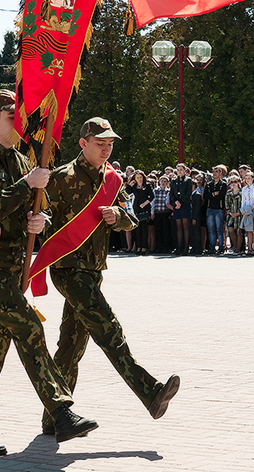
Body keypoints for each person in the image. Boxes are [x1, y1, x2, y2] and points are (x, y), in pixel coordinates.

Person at [0, 90, 98, 457]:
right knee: (28, 326)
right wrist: (28, 185)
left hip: (12, 267)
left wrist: (42, 218)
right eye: (9, 116)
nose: (16, 121)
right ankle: (61, 410)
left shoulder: (24, 160)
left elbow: (43, 208)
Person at [39, 118, 180, 434]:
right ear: (83, 143)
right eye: (100, 143)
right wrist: (39, 223)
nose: (106, 149)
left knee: (71, 346)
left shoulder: (112, 180)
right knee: (108, 329)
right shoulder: (60, 178)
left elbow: (130, 220)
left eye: (110, 144)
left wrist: (117, 216)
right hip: (67, 268)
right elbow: (40, 214)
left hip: (94, 270)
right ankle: (150, 392)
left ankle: (54, 415)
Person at [169, 163, 193, 255]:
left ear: (185, 170)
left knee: (185, 226)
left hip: (185, 204)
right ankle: (179, 247)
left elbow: (188, 192)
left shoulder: (188, 180)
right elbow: (171, 193)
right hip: (176, 205)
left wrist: (181, 202)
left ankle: (186, 247)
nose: (179, 171)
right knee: (178, 227)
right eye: (178, 170)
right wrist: (175, 202)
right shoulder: (174, 181)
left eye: (181, 169)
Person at [204, 164, 227, 254]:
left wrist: (212, 196)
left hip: (219, 209)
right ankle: (211, 247)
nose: (214, 173)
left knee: (219, 229)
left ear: (220, 173)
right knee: (211, 229)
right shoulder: (209, 184)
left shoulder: (223, 184)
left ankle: (221, 247)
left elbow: (221, 196)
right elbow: (206, 197)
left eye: (216, 172)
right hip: (210, 209)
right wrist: (214, 194)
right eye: (213, 172)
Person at [240, 171, 254, 254]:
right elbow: (243, 200)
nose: (248, 180)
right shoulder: (244, 189)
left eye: (249, 178)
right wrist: (243, 211)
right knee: (248, 230)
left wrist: (250, 209)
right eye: (246, 178)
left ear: (253, 178)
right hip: (247, 211)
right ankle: (249, 248)